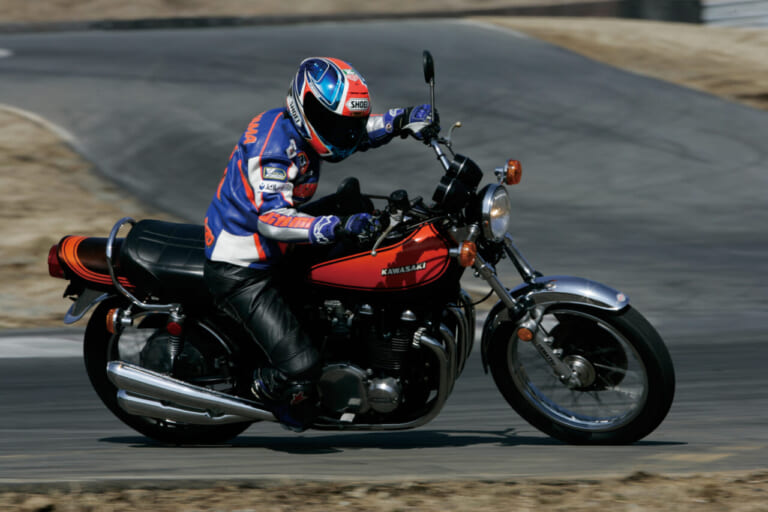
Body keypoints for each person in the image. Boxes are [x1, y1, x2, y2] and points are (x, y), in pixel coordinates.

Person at [202, 57, 436, 430]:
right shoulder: (273, 152)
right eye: (334, 123)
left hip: (278, 250)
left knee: (358, 211)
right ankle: (266, 389)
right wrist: (333, 227)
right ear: (305, 105)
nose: (344, 133)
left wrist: (401, 120)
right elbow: (271, 220)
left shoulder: (303, 128)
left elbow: (353, 134)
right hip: (244, 263)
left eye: (346, 124)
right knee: (303, 367)